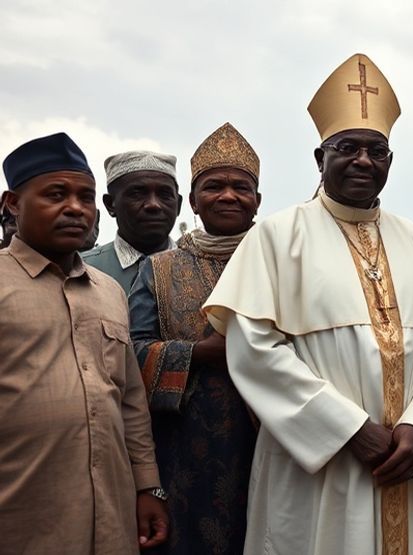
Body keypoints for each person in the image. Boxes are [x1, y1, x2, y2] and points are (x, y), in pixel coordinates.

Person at [202, 53, 413, 554]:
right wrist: (347, 429)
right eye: (347, 147)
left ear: (390, 162)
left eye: (377, 151)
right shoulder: (275, 239)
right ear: (319, 158)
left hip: (404, 458)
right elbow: (254, 351)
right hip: (315, 462)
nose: (363, 160)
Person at [0, 132, 167, 553]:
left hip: (110, 515)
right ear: (12, 204)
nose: (75, 208)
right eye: (56, 194)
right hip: (21, 514)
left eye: (85, 197)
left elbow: (129, 399)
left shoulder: (110, 291)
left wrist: (148, 486)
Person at [128, 123, 262, 555]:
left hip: (275, 439)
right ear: (194, 200)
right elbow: (130, 352)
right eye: (214, 186)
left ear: (257, 200)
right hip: (186, 448)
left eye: (241, 187)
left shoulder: (283, 262)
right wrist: (198, 354)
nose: (228, 196)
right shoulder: (160, 268)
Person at [83, 150, 181, 294]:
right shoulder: (80, 271)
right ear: (110, 204)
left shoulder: (204, 271)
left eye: (164, 195)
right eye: (137, 194)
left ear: (178, 205)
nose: (153, 204)